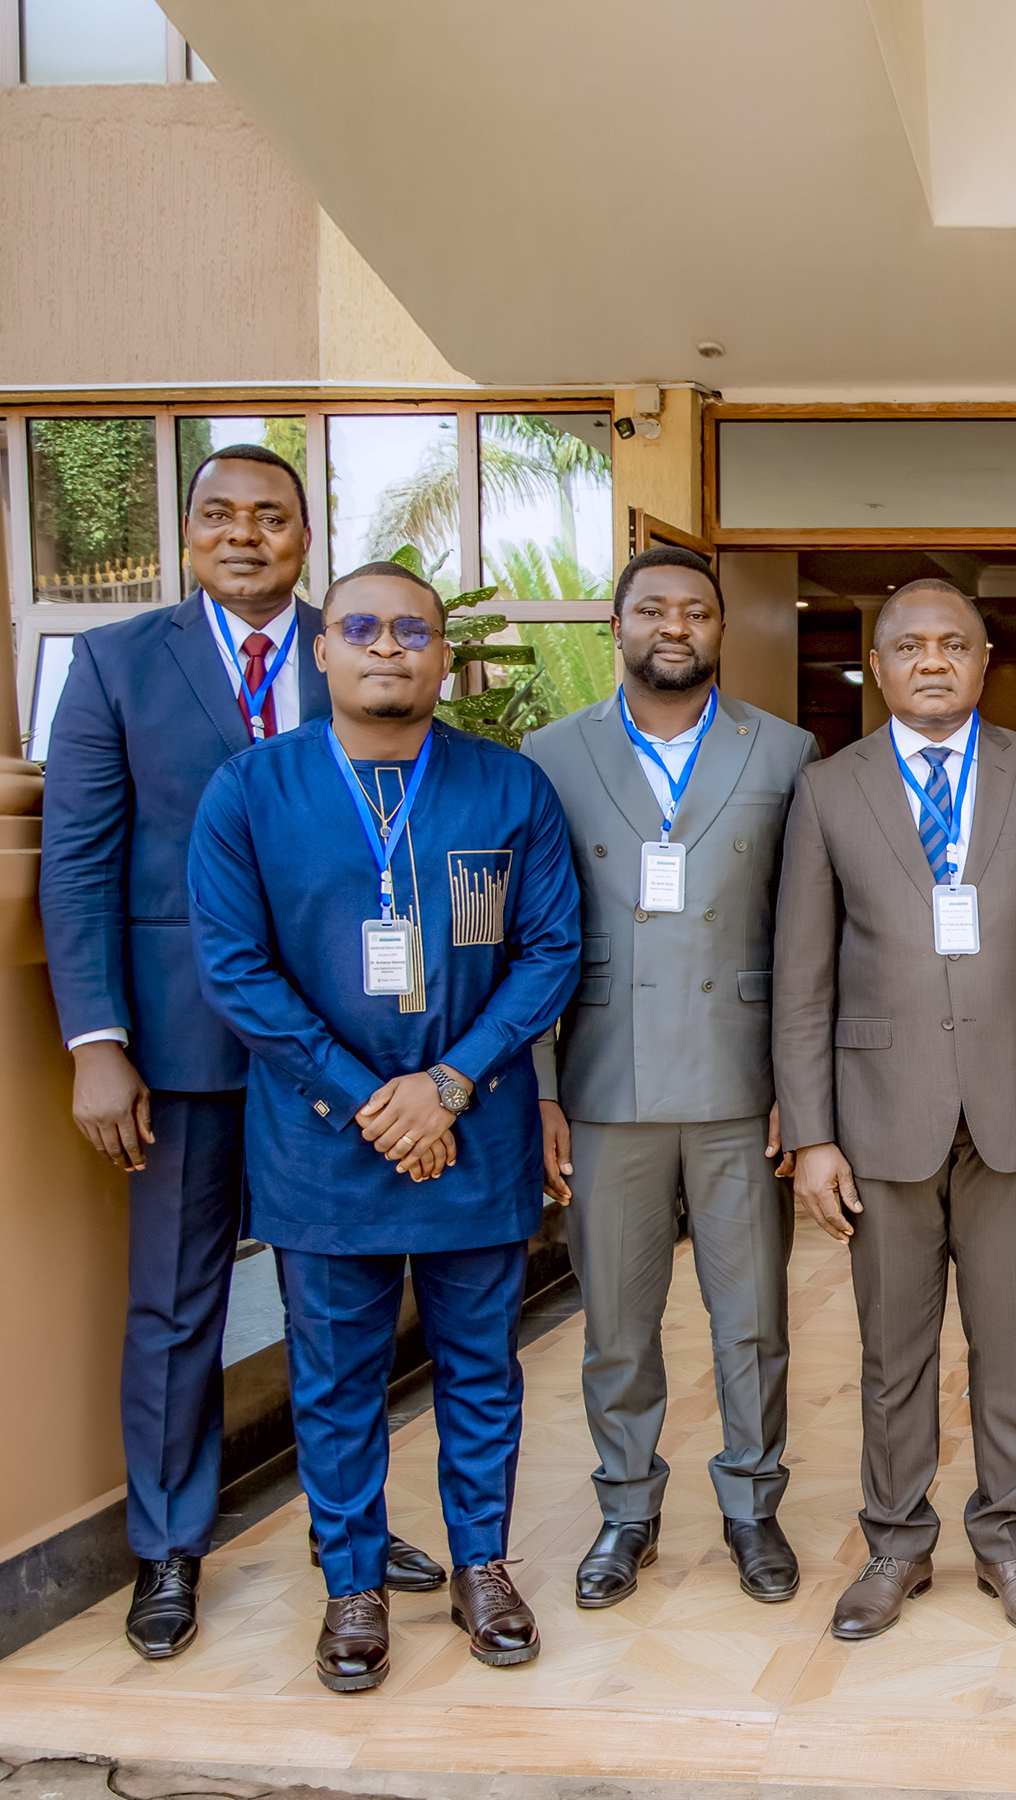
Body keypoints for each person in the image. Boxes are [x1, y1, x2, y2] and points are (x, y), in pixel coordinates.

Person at [39, 445, 441, 1661]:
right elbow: (80, 858)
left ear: (306, 537)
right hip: (183, 1051)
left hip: (343, 1054)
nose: (245, 534)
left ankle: (348, 1528)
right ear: (188, 532)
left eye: (271, 516)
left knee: (343, 1303)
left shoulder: (362, 641)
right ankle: (168, 1546)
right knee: (178, 1302)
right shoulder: (117, 663)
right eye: (219, 514)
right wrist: (96, 1040)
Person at [186, 562, 580, 1693]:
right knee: (335, 1381)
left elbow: (551, 949)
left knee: (482, 1370)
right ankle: (353, 1584)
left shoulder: (508, 788)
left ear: (444, 655)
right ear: (322, 649)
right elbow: (235, 968)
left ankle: (482, 1566)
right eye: (360, 627)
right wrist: (370, 1098)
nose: (387, 646)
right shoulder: (251, 790)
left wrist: (447, 1084)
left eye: (413, 630)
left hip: (475, 1133)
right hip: (322, 1145)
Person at [774, 578, 1016, 1642]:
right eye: (909, 645)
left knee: (1015, 1351)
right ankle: (895, 1545)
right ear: (878, 665)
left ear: (983, 663)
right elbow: (802, 979)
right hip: (880, 1117)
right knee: (893, 1354)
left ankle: (1009, 1542)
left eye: (952, 644)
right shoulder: (829, 789)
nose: (931, 660)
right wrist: (812, 1133)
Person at [522, 545, 820, 1610]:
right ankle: (625, 1511)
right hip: (606, 1079)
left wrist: (801, 1087)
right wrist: (542, 1086)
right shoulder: (550, 754)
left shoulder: (783, 750)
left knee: (754, 1321)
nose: (675, 627)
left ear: (721, 628)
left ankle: (752, 1507)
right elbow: (531, 937)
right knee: (616, 1322)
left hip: (743, 1081)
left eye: (695, 610)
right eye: (653, 610)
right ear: (619, 628)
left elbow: (806, 935)